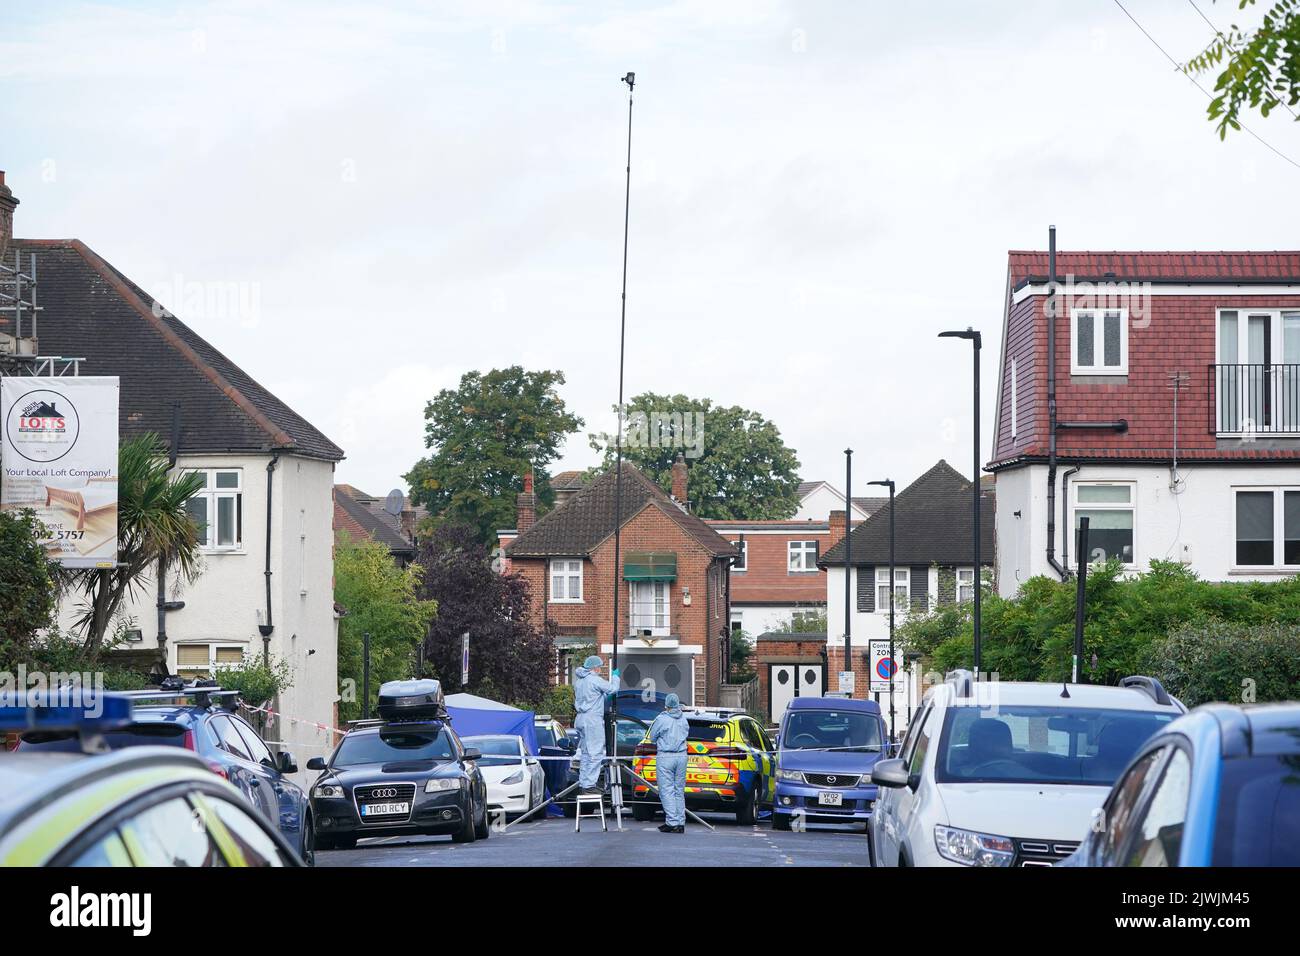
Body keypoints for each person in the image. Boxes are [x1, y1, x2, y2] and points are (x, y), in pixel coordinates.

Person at [573, 655, 620, 795]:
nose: (600, 669)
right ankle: (589, 785)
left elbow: (592, 697)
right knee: (596, 752)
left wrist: (604, 698)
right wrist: (616, 677)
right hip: (592, 720)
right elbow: (612, 689)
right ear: (594, 668)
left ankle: (584, 783)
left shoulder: (579, 682)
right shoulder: (594, 679)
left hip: (581, 718)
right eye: (599, 667)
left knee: (586, 753)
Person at [648, 692, 689, 833]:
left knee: (666, 790)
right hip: (682, 756)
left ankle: (672, 822)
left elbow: (652, 737)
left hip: (666, 756)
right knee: (679, 790)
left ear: (666, 705)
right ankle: (680, 822)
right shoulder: (684, 718)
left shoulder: (661, 719)